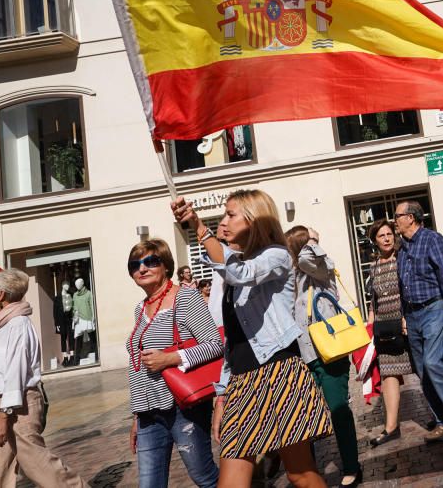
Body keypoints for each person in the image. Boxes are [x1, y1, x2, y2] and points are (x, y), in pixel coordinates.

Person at [172, 190, 331, 488]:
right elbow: (233, 340)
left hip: (279, 375)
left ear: (254, 219)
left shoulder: (277, 255)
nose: (224, 221)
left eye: (231, 214)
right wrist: (222, 393)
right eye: (224, 215)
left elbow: (241, 272)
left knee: (300, 475)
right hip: (242, 384)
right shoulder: (233, 269)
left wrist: (198, 226)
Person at [0, 269, 89, 488]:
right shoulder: (5, 326)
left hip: (13, 410)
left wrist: (3, 416)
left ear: (0, 295)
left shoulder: (17, 325)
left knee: (43, 469)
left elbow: (15, 372)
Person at [125, 239, 222, 488]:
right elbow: (137, 366)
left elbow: (215, 344)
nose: (142, 269)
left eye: (151, 262)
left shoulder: (186, 298)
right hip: (148, 413)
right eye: (135, 265)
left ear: (166, 266)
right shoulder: (140, 309)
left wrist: (170, 358)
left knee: (205, 477)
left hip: (182, 407)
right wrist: (136, 416)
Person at [286, 226, 362, 487]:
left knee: (338, 409)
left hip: (330, 351)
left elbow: (309, 260)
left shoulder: (320, 267)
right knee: (305, 416)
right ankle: (310, 472)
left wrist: (312, 240)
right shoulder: (292, 274)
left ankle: (352, 465)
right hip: (302, 354)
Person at [393, 200, 443, 443]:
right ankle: (441, 420)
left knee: (433, 363)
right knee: (422, 370)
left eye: (397, 216)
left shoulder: (432, 240)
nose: (394, 220)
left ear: (411, 218)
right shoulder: (402, 247)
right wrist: (404, 315)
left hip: (433, 309)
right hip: (413, 314)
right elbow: (402, 285)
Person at [365, 218, 413, 447]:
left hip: (405, 320)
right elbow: (373, 301)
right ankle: (391, 426)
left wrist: (406, 317)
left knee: (422, 368)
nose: (386, 238)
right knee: (388, 374)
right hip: (385, 325)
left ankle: (440, 416)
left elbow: (410, 290)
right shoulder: (373, 267)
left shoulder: (403, 260)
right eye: (381, 236)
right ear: (375, 241)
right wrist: (371, 325)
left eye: (388, 234)